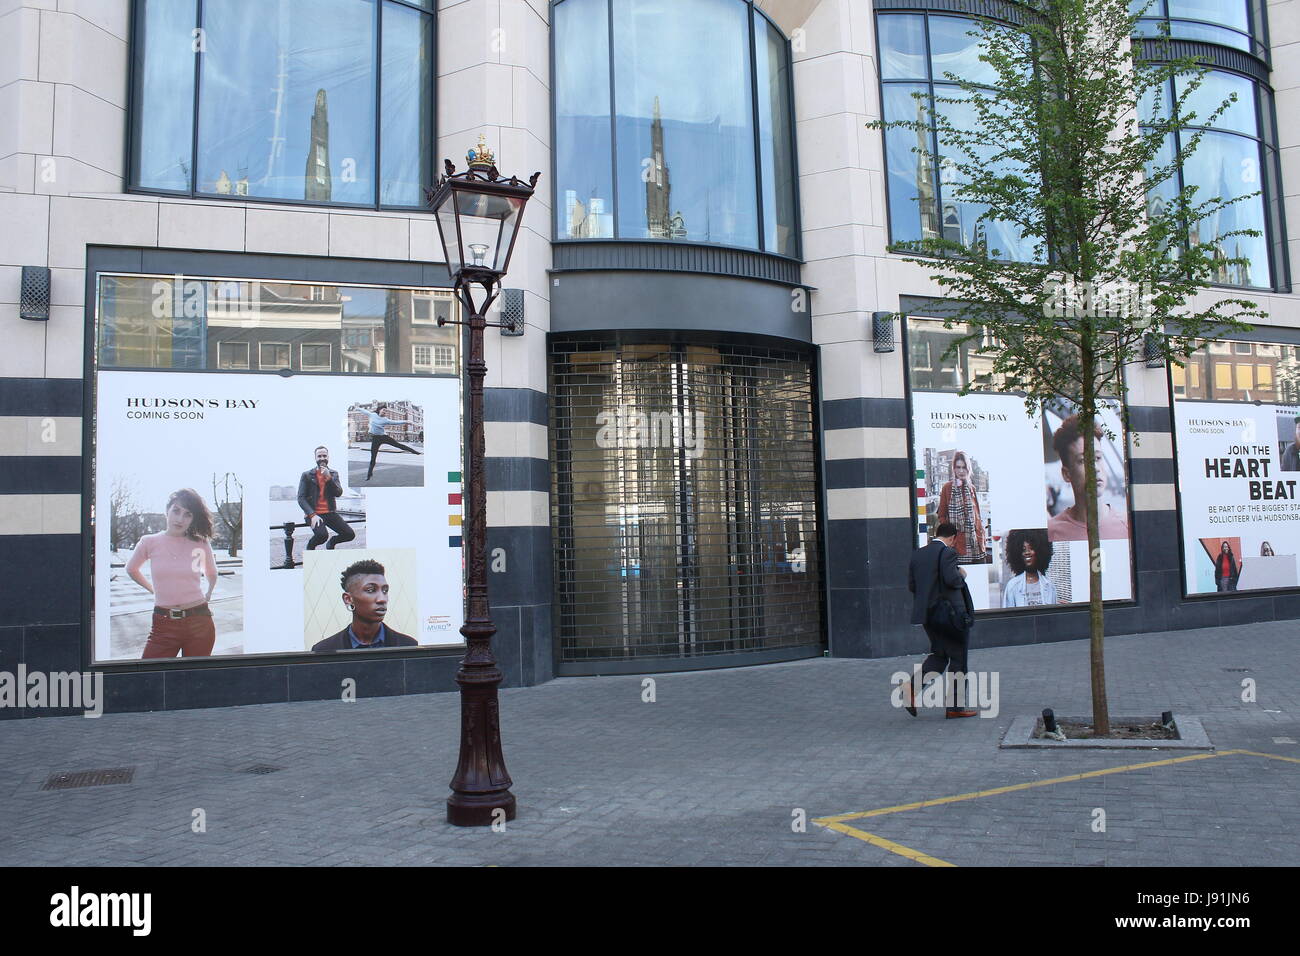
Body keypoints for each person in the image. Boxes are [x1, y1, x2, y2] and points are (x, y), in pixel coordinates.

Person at [125, 488, 219, 659]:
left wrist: (209, 593)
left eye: (188, 514)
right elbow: (131, 569)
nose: (180, 519)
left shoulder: (201, 543)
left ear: (193, 518)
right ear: (167, 510)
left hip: (199, 621)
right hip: (163, 623)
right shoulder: (149, 542)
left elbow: (212, 573)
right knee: (150, 675)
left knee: (194, 678)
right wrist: (153, 590)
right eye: (176, 511)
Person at [904, 521, 978, 718]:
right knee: (958, 660)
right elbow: (951, 580)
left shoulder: (918, 554)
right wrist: (961, 574)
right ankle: (955, 707)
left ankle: (910, 688)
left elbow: (912, 586)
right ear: (952, 538)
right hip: (950, 616)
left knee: (940, 655)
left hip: (928, 616)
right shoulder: (948, 553)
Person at [1047, 414, 1129, 542]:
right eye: (1083, 460)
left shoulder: (1127, 527)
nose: (1095, 468)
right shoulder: (1052, 533)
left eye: (1097, 458)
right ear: (1067, 474)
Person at [312, 558, 418, 652]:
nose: (382, 599)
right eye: (371, 590)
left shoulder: (409, 646)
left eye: (385, 590)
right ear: (348, 599)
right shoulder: (324, 650)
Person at [297, 445, 355, 551]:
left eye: (324, 456)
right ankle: (310, 548)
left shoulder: (333, 473)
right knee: (322, 536)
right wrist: (312, 515)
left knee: (349, 534)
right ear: (315, 458)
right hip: (314, 514)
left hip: (330, 512)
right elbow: (301, 498)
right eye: (319, 456)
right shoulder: (307, 475)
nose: (322, 458)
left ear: (328, 457)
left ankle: (331, 543)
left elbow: (338, 493)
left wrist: (328, 478)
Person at [936, 451, 987, 563]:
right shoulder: (947, 488)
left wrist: (981, 533)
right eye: (958, 467)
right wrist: (951, 537)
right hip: (957, 543)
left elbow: (977, 515)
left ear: (968, 469)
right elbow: (942, 516)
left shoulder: (971, 488)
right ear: (954, 469)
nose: (961, 471)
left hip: (975, 542)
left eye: (964, 467)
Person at [363, 403, 421, 480]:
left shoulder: (385, 420)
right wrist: (357, 408)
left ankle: (415, 452)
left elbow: (395, 422)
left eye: (386, 411)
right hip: (375, 439)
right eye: (384, 410)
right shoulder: (372, 415)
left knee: (398, 445)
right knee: (373, 458)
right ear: (379, 410)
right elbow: (363, 411)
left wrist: (406, 421)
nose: (385, 412)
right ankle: (369, 475)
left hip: (384, 437)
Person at [1002, 528, 1058, 607]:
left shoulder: (1050, 586)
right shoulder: (1012, 586)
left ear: (1040, 551)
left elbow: (1053, 616)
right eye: (1023, 549)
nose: (1027, 553)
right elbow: (1007, 617)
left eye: (1031, 548)